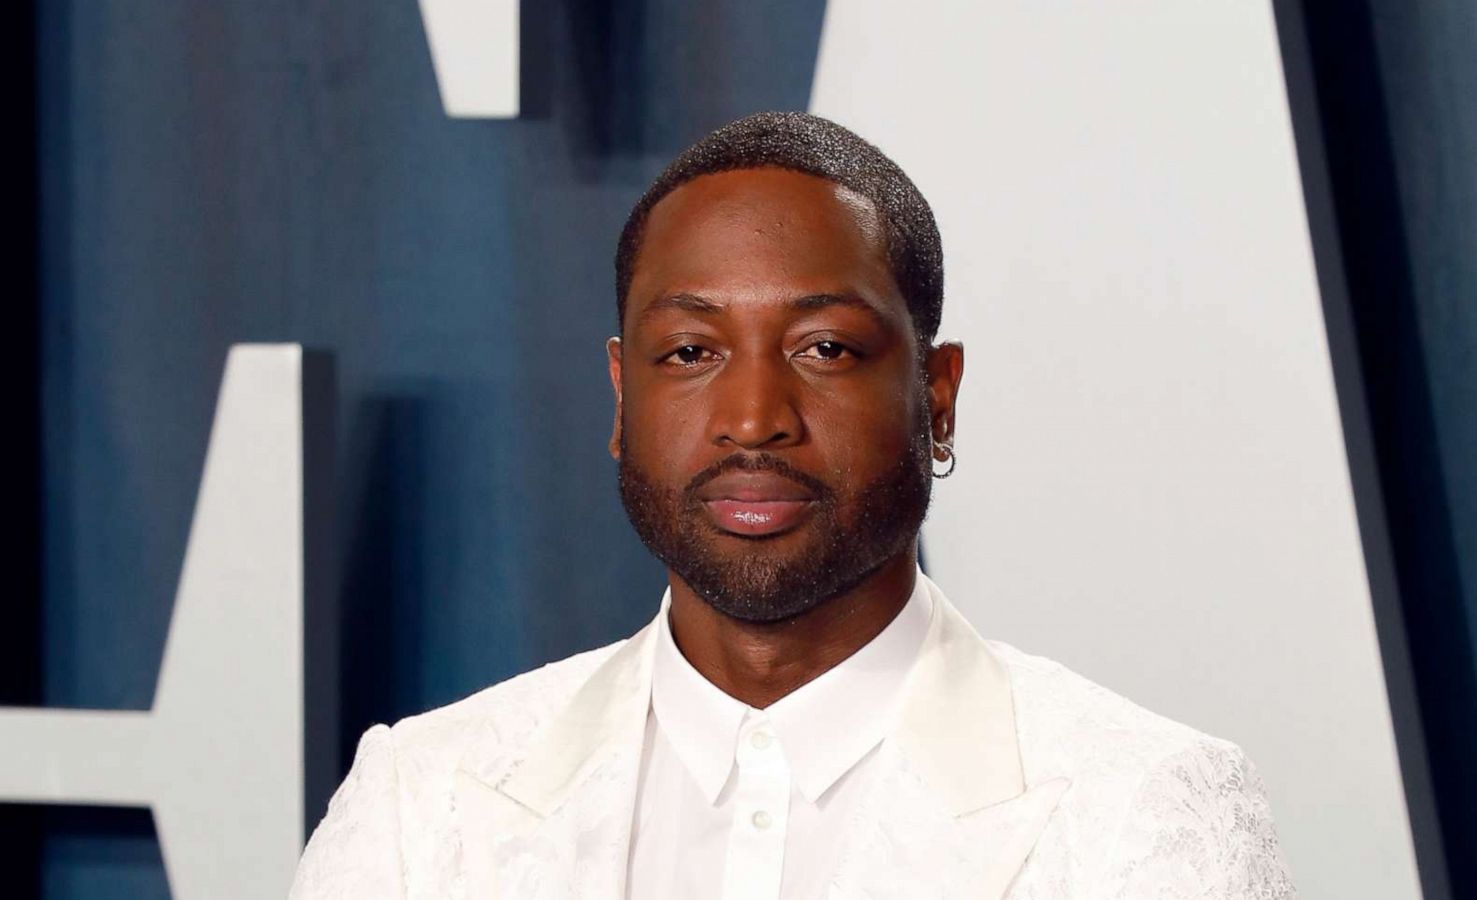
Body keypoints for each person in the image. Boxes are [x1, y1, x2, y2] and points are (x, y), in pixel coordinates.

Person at [289, 111, 1295, 899]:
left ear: (935, 399)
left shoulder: (1140, 806)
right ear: (620, 395)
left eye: (824, 350)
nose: (752, 418)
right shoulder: (421, 803)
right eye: (691, 352)